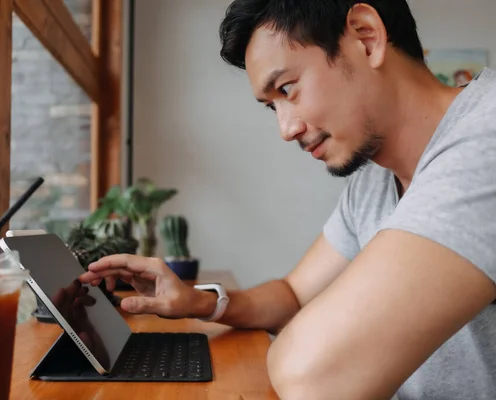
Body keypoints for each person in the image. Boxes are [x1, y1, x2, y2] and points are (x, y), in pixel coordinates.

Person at [79, 1, 496, 399]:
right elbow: (294, 294)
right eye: (271, 106)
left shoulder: (485, 142)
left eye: (288, 88)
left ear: (366, 37)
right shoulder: (373, 180)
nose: (286, 129)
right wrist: (197, 301)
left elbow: (311, 376)